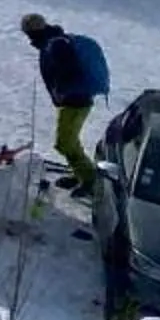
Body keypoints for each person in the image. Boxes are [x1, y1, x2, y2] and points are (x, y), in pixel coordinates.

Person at [24, 13, 106, 192]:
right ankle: (81, 174)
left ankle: (90, 180)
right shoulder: (54, 41)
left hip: (76, 101)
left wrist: (60, 89)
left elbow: (69, 70)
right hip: (74, 99)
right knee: (68, 141)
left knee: (65, 143)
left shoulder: (55, 44)